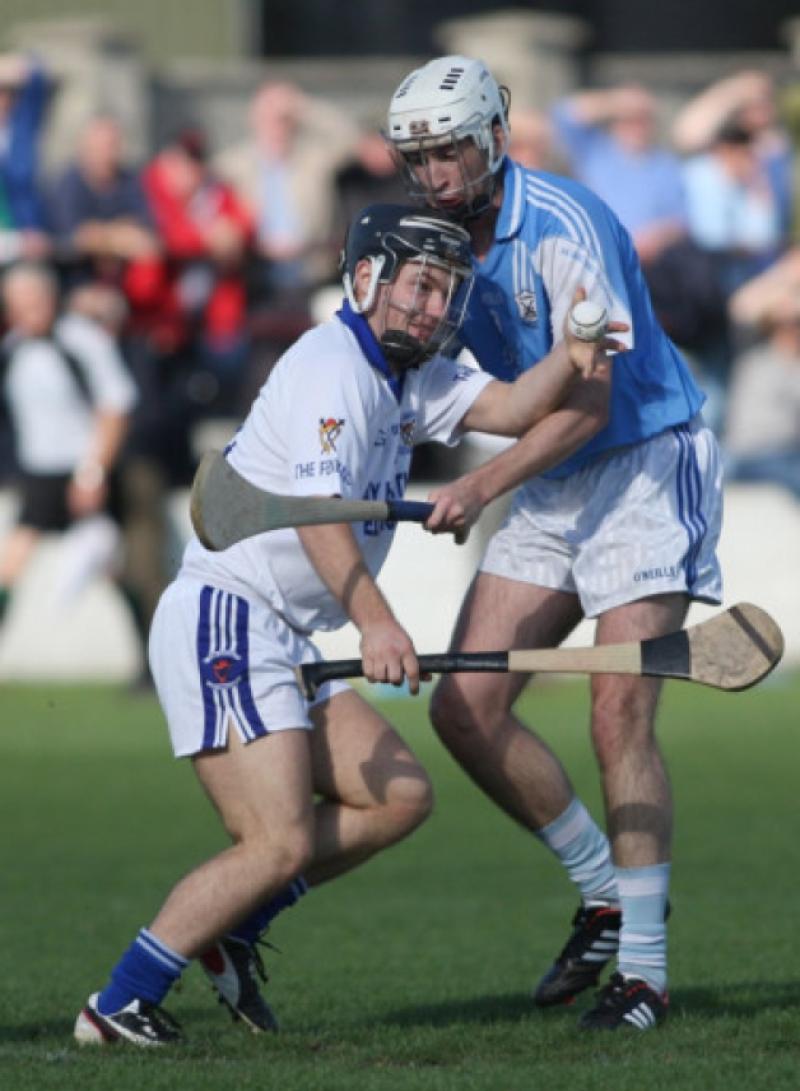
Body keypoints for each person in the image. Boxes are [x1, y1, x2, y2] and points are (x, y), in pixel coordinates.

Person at [73, 203, 620, 1046]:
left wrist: (573, 352)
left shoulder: (414, 373)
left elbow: (515, 406)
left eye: (446, 291)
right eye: (420, 286)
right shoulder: (332, 367)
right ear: (366, 278)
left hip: (281, 633)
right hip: (229, 615)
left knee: (398, 797)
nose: (433, 308)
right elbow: (320, 517)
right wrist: (378, 624)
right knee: (276, 840)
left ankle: (234, 926)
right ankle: (118, 1003)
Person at [385, 56, 723, 1031]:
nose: (435, 173)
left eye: (450, 150)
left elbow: (590, 404)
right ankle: (605, 894)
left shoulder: (563, 227)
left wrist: (478, 484)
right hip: (552, 473)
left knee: (617, 711)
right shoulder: (431, 241)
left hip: (643, 462)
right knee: (465, 707)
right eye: (417, 157)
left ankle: (644, 975)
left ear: (495, 136)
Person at [0, 262, 137, 636]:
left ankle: (150, 649)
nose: (28, 309)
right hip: (39, 474)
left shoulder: (82, 340)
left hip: (84, 471)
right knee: (11, 564)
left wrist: (92, 472)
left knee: (115, 569)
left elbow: (115, 407)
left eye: (34, 299)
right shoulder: (13, 348)